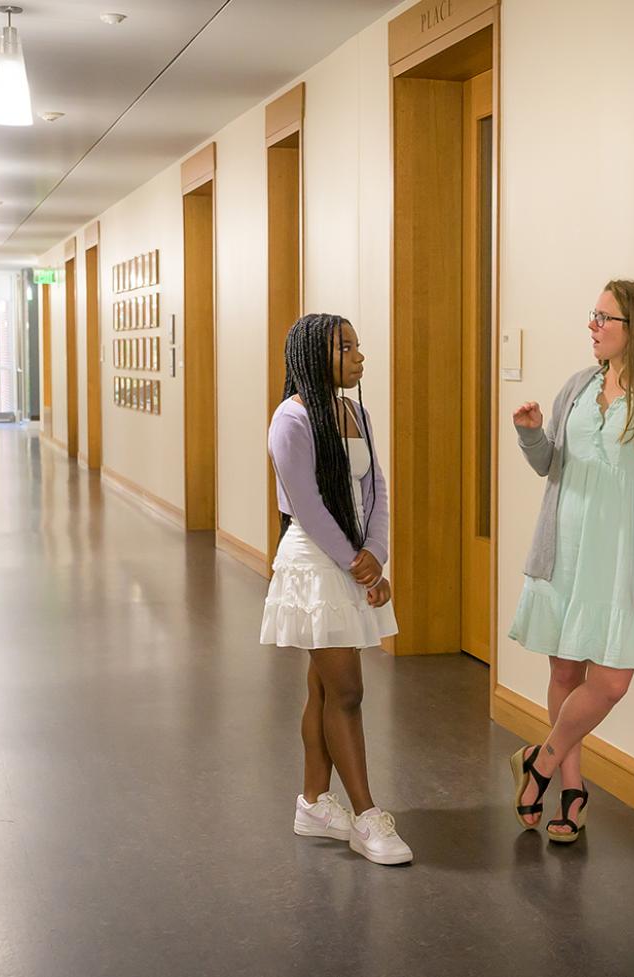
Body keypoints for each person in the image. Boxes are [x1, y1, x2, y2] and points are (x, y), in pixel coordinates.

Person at [507, 279, 634, 844]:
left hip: (620, 562)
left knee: (610, 682)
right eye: (593, 316)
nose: (593, 325)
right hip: (568, 550)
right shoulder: (576, 388)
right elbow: (552, 468)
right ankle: (572, 788)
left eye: (604, 318)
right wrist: (531, 435)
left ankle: (538, 761)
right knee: (566, 672)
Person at [260, 313, 412, 866]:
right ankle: (367, 816)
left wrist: (377, 553)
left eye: (357, 345)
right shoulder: (291, 420)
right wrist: (357, 563)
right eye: (345, 348)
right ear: (311, 356)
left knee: (324, 690)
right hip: (316, 562)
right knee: (347, 692)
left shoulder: (356, 411)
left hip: (351, 559)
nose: (359, 356)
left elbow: (376, 491)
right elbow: (306, 505)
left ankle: (314, 802)